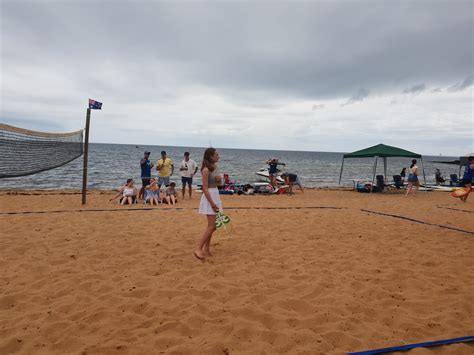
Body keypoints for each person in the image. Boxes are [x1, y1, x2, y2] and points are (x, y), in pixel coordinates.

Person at [194, 148, 222, 260]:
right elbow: (204, 188)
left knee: (213, 226)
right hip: (209, 196)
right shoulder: (205, 170)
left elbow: (217, 184)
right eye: (216, 154)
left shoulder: (215, 167)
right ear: (210, 156)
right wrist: (212, 203)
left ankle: (206, 248)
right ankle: (198, 248)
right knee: (212, 226)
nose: (218, 156)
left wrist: (219, 180)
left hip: (215, 193)